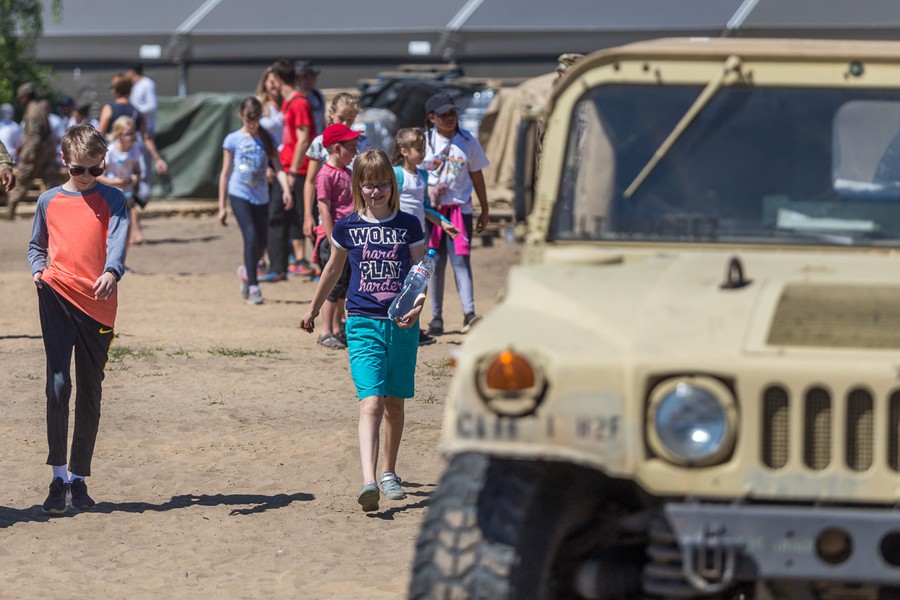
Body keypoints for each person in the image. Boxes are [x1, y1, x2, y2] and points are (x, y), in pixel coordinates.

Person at [300, 149, 426, 512]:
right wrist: (311, 309)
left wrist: (416, 308)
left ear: (392, 184)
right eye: (369, 185)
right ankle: (369, 480)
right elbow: (332, 271)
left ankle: (389, 472)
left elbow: (421, 272)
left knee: (395, 405)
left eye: (382, 184)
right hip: (363, 322)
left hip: (401, 326)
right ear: (359, 186)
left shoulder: (408, 226)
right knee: (371, 401)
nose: (376, 191)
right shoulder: (347, 227)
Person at [27, 124, 128, 514]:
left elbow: (117, 239)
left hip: (99, 304)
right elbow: (37, 245)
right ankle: (57, 476)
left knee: (90, 391)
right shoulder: (47, 201)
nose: (86, 177)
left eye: (95, 170)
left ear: (103, 164)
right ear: (64, 162)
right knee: (57, 385)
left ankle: (79, 480)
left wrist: (112, 271)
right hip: (55, 296)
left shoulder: (113, 199)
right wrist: (38, 271)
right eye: (78, 170)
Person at [421, 92, 490, 336]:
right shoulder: (425, 143)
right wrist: (429, 191)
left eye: (453, 113)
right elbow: (416, 174)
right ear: (432, 118)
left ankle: (469, 313)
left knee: (461, 260)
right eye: (444, 115)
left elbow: (477, 175)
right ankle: (436, 317)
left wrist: (485, 208)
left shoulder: (467, 141)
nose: (450, 118)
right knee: (435, 263)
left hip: (460, 211)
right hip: (432, 213)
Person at [218, 97, 292, 305]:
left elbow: (278, 168)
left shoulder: (266, 139)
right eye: (248, 119)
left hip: (261, 195)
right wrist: (221, 205)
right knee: (250, 236)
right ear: (241, 116)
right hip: (239, 193)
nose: (252, 124)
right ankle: (253, 286)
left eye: (256, 119)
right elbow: (225, 173)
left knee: (262, 241)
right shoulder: (233, 139)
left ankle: (246, 271)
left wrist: (286, 189)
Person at [391, 127, 460, 346]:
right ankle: (396, 320)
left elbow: (425, 207)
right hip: (397, 238)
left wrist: (443, 223)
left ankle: (414, 324)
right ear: (403, 151)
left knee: (418, 279)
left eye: (424, 149)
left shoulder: (422, 176)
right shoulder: (396, 174)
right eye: (418, 149)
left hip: (418, 238)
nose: (422, 153)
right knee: (398, 280)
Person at [260, 58, 315, 283]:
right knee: (277, 217)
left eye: (274, 78)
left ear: (281, 79)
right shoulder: (288, 103)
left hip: (299, 171)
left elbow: (303, 139)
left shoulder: (299, 103)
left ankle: (322, 265)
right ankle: (278, 267)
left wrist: (292, 172)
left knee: (306, 218)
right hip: (286, 168)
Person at [301, 92, 368, 278]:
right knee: (333, 276)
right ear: (331, 114)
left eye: (351, 119)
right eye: (341, 118)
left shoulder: (361, 142)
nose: (346, 124)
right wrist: (308, 215)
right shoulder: (319, 143)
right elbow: (310, 181)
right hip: (330, 216)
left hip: (357, 217)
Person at [98, 73, 168, 243]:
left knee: (122, 203)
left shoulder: (109, 108)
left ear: (115, 89)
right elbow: (147, 138)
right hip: (126, 162)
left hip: (112, 161)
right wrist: (158, 158)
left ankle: (130, 234)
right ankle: (136, 232)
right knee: (129, 201)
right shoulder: (137, 112)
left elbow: (99, 135)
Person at [312, 123, 360, 348]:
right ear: (336, 148)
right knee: (333, 285)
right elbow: (324, 209)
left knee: (345, 284)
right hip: (333, 240)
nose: (355, 152)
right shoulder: (325, 175)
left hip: (350, 239)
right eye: (351, 147)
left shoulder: (348, 173)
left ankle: (339, 328)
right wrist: (332, 241)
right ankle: (325, 331)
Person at [6, 83, 60, 219]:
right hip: (45, 152)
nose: (20, 101)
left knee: (23, 179)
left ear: (26, 97)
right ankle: (56, 211)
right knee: (51, 183)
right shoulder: (37, 108)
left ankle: (11, 209)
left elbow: (35, 135)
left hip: (37, 153)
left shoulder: (34, 111)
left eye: (21, 98)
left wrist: (26, 155)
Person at [96, 116, 142, 247]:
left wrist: (133, 179)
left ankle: (121, 262)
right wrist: (114, 182)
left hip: (127, 195)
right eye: (128, 134)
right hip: (110, 195)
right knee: (110, 228)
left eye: (134, 133)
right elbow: (97, 175)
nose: (132, 137)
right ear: (119, 134)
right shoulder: (110, 152)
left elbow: (137, 171)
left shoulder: (136, 149)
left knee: (126, 227)